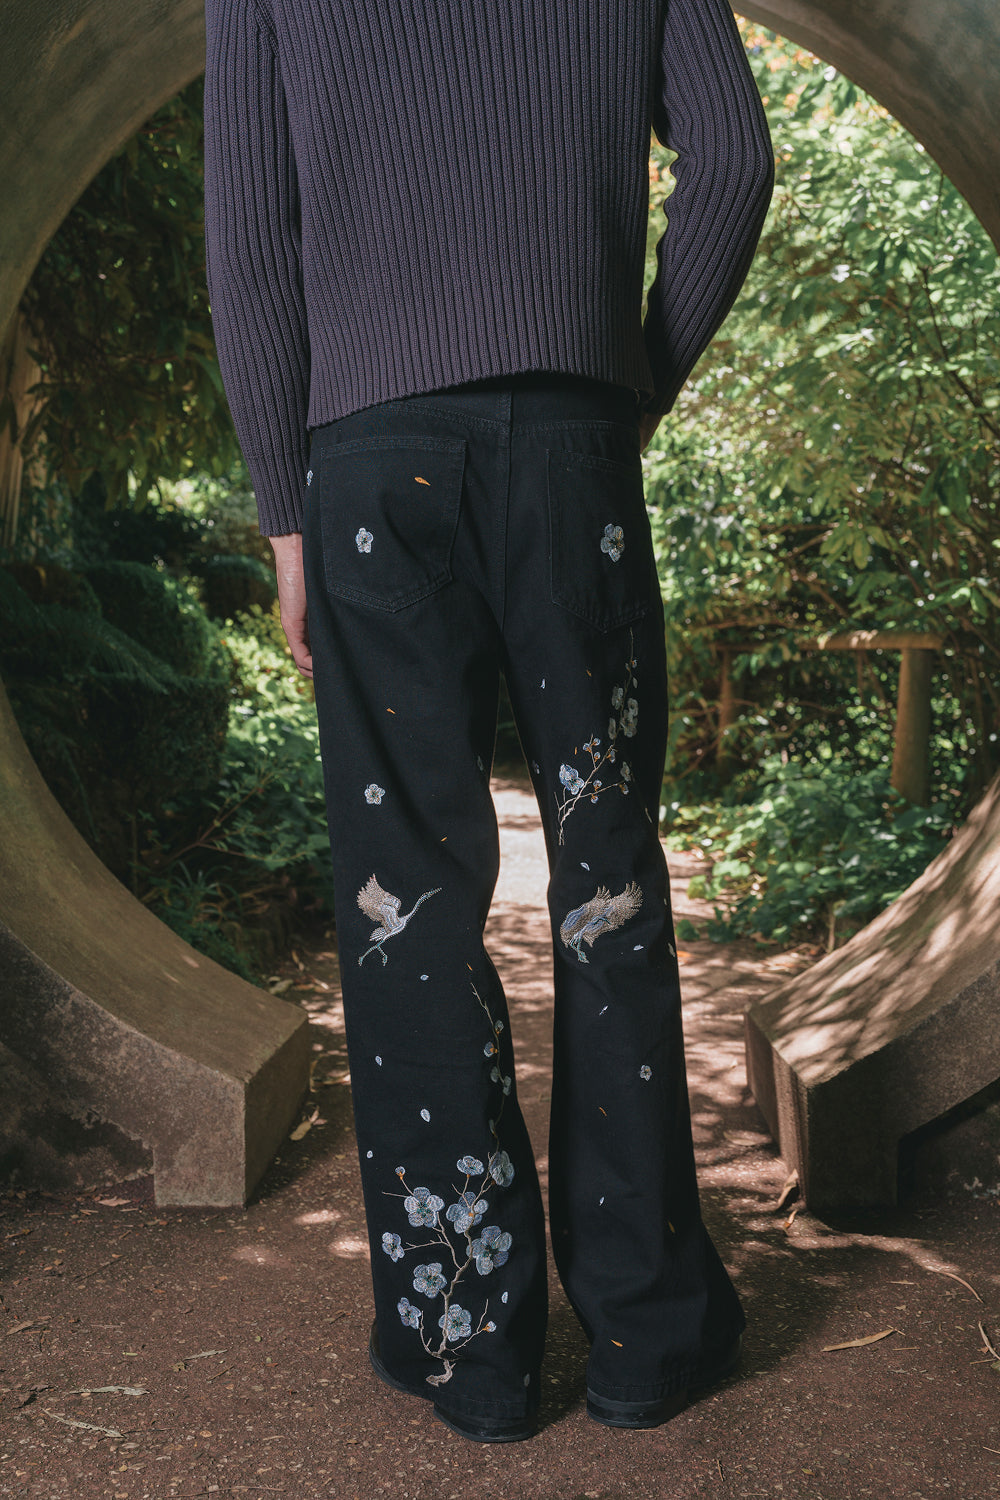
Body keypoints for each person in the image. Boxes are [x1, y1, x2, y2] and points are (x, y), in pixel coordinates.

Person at [202, 0, 774, 1445]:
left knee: (411, 904)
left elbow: (250, 236)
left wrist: (285, 511)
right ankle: (647, 1333)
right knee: (609, 881)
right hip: (572, 435)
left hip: (370, 461)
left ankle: (472, 1347)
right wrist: (628, 380)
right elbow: (736, 166)